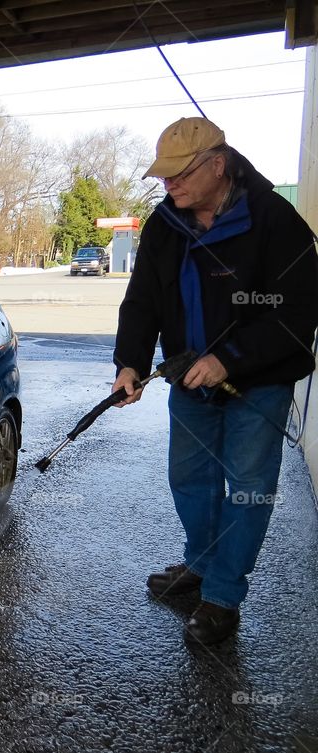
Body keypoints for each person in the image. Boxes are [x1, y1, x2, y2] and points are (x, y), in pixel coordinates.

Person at [112, 117, 318, 645]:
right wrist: (129, 363)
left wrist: (229, 359)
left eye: (180, 175)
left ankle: (224, 596)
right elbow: (143, 302)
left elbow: (297, 313)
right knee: (191, 480)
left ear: (217, 166)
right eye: (164, 176)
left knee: (248, 491)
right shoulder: (164, 225)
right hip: (188, 380)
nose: (169, 185)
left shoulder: (274, 220)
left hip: (259, 384)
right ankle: (201, 565)